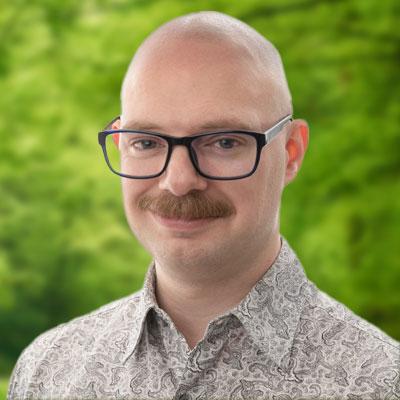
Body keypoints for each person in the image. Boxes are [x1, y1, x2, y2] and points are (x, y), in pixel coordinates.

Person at [8, 11, 399, 400]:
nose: (178, 181)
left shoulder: (380, 383)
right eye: (146, 142)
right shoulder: (48, 370)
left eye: (224, 142)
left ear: (291, 152)